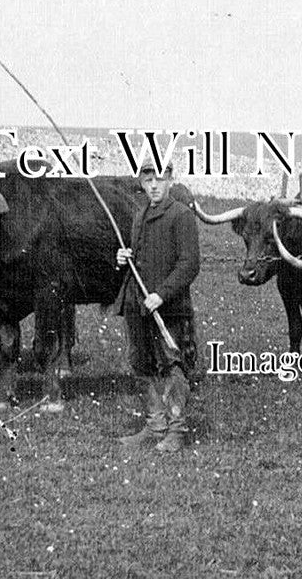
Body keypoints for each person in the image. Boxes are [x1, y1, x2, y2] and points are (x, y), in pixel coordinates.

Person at [115, 161, 201, 454]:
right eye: (147, 179)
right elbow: (140, 256)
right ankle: (155, 425)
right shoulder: (140, 215)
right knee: (140, 362)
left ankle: (177, 429)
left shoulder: (181, 215)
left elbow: (189, 264)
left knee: (172, 365)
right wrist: (124, 257)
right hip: (136, 303)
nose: (153, 185)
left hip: (169, 307)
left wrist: (162, 294)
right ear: (141, 182)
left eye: (159, 179)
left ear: (170, 180)